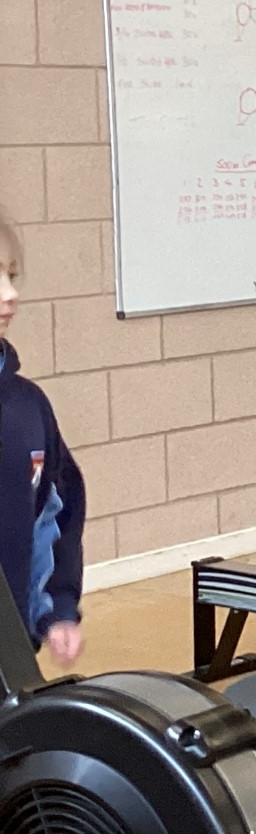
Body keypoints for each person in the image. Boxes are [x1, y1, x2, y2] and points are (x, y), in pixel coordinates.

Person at [0, 213, 87, 668]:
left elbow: (53, 515)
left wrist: (55, 610)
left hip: (10, 659)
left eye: (11, 276)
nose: (10, 294)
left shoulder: (28, 408)